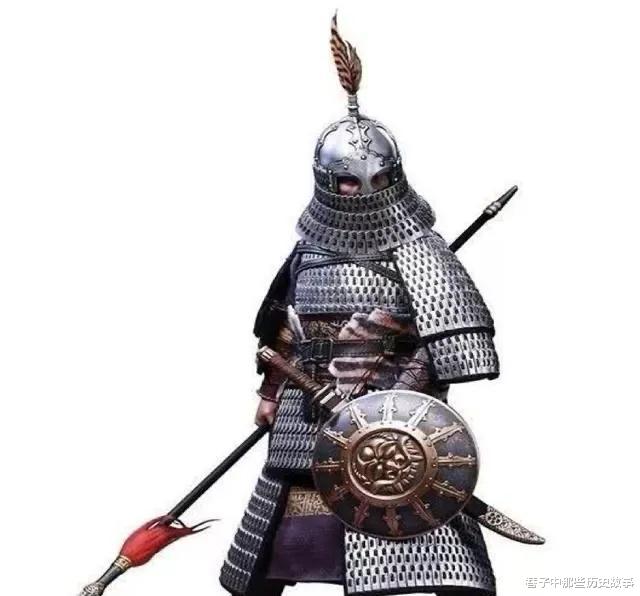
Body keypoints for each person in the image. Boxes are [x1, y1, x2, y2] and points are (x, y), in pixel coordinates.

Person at [220, 15, 499, 596]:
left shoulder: (419, 251)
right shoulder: (307, 252)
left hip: (388, 431)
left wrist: (385, 400)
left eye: (371, 180)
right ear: (325, 181)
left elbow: (455, 349)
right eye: (346, 181)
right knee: (283, 539)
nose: (358, 191)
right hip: (304, 412)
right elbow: (283, 332)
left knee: (408, 535)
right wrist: (270, 394)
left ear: (392, 177)